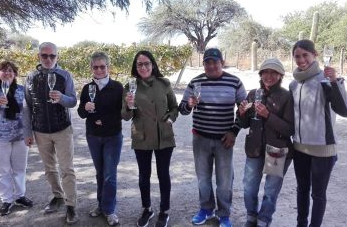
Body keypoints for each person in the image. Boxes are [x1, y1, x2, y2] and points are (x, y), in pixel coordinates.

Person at [178, 48, 247, 227]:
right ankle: (206, 209)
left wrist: (234, 131)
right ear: (204, 64)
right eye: (207, 62)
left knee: (224, 181)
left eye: (215, 62)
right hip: (200, 138)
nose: (211, 65)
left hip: (225, 139)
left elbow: (244, 111)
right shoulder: (195, 82)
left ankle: (224, 214)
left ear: (222, 62)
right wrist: (189, 104)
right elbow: (182, 109)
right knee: (203, 178)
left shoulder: (235, 82)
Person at [290, 39, 347, 227]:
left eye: (305, 55)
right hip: (300, 149)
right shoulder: (294, 85)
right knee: (302, 190)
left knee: (318, 194)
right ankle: (301, 224)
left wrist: (335, 83)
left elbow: (346, 111)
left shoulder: (325, 81)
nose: (301, 60)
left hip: (322, 150)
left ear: (315, 55)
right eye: (297, 56)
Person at [121, 50, 178, 227]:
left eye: (147, 63)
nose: (143, 67)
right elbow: (125, 115)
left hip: (164, 136)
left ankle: (164, 211)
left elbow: (174, 108)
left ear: (152, 64)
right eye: (140, 64)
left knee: (163, 175)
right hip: (142, 136)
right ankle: (147, 209)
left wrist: (170, 119)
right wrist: (129, 106)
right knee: (144, 176)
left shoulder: (164, 83)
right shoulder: (130, 86)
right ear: (135, 67)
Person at [24, 42, 78, 224]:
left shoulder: (65, 75)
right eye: (44, 55)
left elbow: (72, 102)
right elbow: (27, 106)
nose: (48, 59)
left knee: (67, 169)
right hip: (40, 130)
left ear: (57, 57)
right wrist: (28, 131)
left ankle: (71, 205)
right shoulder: (31, 77)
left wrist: (61, 98)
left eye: (52, 56)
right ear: (38, 56)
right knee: (49, 169)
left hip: (62, 128)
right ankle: (58, 196)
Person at [237, 58, 294, 227]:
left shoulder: (286, 96)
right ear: (260, 74)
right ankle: (251, 217)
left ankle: (264, 220)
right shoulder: (253, 94)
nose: (269, 76)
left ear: (280, 75)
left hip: (277, 150)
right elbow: (244, 124)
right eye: (265, 72)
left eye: (274, 72)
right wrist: (241, 113)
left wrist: (268, 115)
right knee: (249, 188)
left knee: (270, 191)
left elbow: (290, 129)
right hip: (254, 148)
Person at [0, 60, 33, 216]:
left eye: (10, 70)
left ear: (15, 74)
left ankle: (20, 196)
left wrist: (30, 134)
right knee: (2, 169)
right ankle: (7, 200)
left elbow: (29, 113)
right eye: (3, 70)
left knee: (20, 168)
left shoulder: (23, 90)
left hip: (20, 137)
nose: (7, 72)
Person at [77, 52, 123, 226]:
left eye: (102, 66)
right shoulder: (87, 88)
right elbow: (81, 113)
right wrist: (86, 108)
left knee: (110, 175)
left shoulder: (117, 87)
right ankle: (101, 205)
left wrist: (101, 119)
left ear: (108, 67)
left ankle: (109, 210)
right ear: (91, 68)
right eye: (95, 67)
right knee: (100, 173)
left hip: (112, 136)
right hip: (94, 137)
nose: (99, 70)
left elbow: (121, 113)